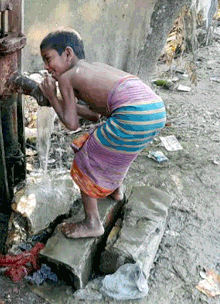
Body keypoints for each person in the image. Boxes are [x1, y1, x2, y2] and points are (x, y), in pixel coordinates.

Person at [38, 28, 166, 239]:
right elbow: (94, 115)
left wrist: (52, 96)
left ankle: (92, 223)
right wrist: (57, 102)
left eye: (48, 59)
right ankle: (115, 190)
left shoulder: (67, 78)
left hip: (131, 114)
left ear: (68, 53)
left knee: (85, 155)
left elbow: (71, 124)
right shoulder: (93, 67)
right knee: (114, 152)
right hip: (153, 109)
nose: (45, 67)